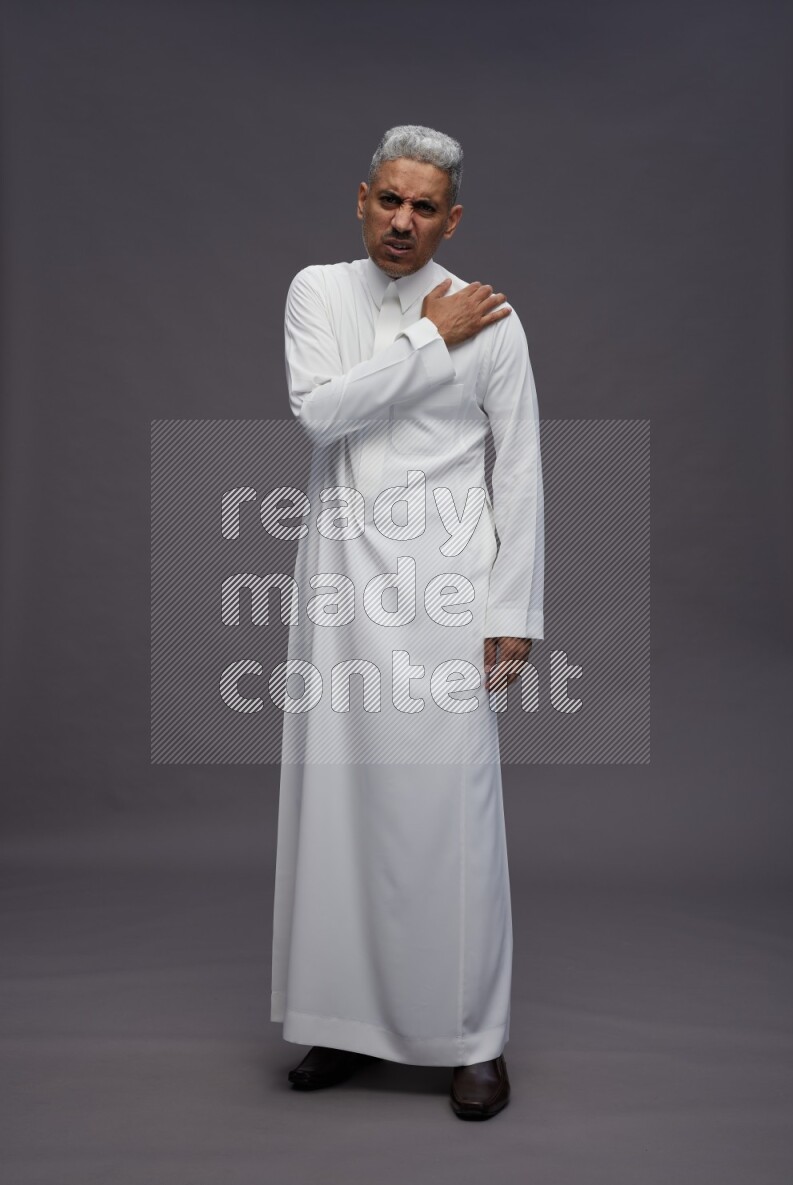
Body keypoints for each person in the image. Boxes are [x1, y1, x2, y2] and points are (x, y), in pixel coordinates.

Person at [270, 125, 544, 1120]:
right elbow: (320, 413)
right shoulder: (318, 292)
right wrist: (431, 335)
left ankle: (473, 1037)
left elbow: (514, 473)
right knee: (338, 811)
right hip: (341, 586)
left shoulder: (495, 321)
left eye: (423, 207)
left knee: (446, 818)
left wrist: (512, 613)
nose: (402, 220)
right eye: (388, 200)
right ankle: (340, 1026)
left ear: (450, 217)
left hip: (447, 593)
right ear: (361, 199)